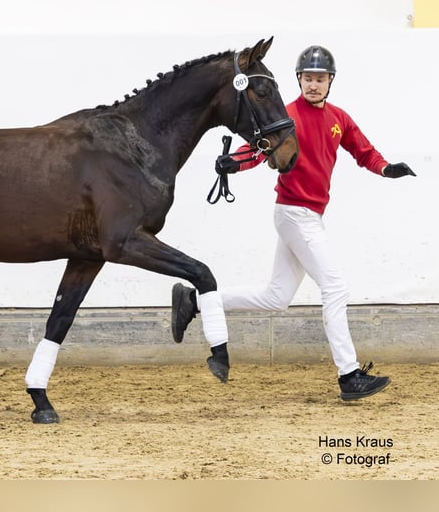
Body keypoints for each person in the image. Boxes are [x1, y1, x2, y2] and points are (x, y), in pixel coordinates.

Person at [172, 45, 416, 399]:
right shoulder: (287, 116)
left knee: (276, 296)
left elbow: (363, 150)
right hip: (294, 213)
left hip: (310, 216)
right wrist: (235, 164)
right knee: (335, 288)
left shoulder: (339, 119)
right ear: (298, 80)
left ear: (330, 82)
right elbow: (259, 148)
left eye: (320, 79)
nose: (313, 85)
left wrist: (386, 168)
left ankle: (196, 301)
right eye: (307, 78)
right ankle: (349, 375)